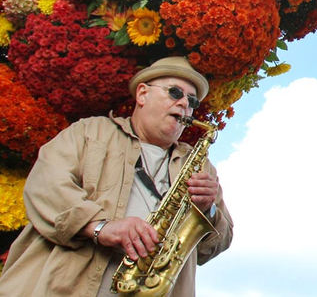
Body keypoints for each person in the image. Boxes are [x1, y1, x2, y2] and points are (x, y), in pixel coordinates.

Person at [0, 55, 233, 297]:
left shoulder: (200, 166)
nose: (185, 104)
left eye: (192, 101)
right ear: (142, 94)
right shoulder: (89, 132)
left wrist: (209, 210)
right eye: (175, 93)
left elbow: (217, 244)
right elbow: (45, 186)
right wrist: (100, 227)